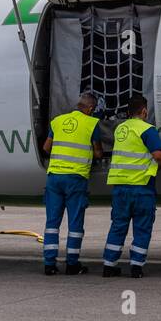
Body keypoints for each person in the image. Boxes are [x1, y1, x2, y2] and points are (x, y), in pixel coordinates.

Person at [102, 94, 161, 278]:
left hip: (120, 187)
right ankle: (136, 267)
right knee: (142, 227)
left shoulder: (121, 129)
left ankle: (108, 265)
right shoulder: (147, 129)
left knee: (118, 225)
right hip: (141, 187)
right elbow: (158, 156)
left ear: (128, 112)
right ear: (144, 111)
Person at [41, 92, 104, 275]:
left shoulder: (58, 121)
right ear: (91, 109)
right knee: (75, 224)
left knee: (52, 222)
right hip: (76, 178)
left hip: (54, 177)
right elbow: (98, 153)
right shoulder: (92, 123)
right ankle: (72, 264)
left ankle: (49, 264)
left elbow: (46, 148)